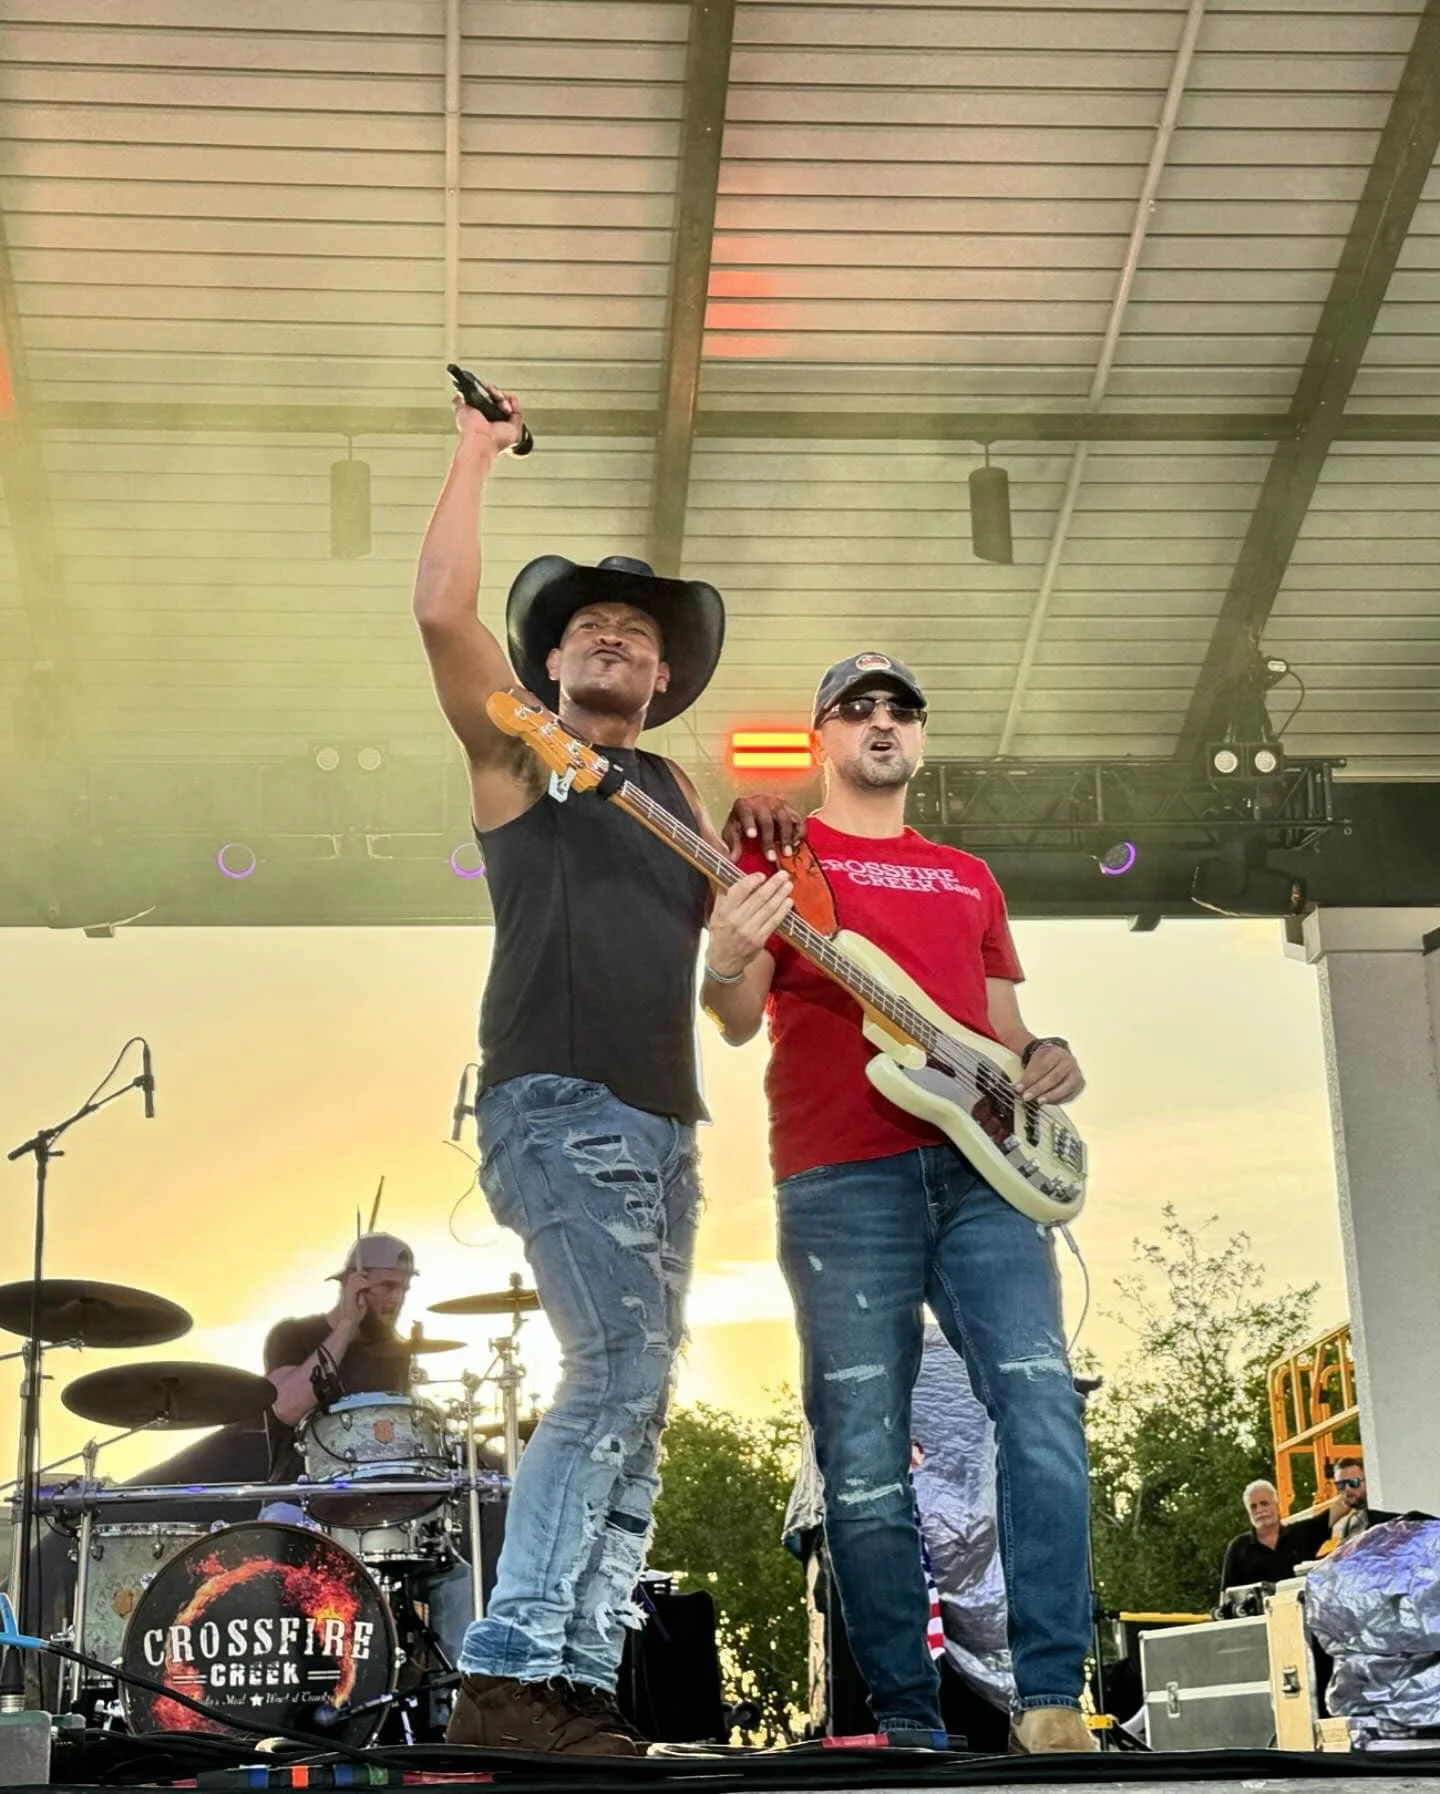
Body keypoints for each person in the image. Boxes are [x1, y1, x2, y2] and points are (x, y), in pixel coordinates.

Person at [412, 380, 796, 1754]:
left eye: (637, 630)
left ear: (663, 674)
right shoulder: (522, 755)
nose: (617, 636)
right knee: (616, 1359)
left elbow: (735, 1012)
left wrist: (744, 942)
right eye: (590, 624)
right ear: (557, 664)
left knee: (642, 1395)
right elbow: (443, 614)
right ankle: (506, 1674)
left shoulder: (682, 801)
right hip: (556, 1102)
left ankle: (577, 1683)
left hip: (666, 1127)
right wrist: (476, 449)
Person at [702, 651, 1095, 1755]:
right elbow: (734, 1014)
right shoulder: (779, 851)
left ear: (920, 740)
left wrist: (1047, 1054)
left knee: (1043, 1408)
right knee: (862, 1449)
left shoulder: (968, 874)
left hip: (985, 1172)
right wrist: (727, 954)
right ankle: (908, 1723)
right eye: (856, 709)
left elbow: (1004, 1028)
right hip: (839, 1176)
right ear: (823, 739)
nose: (882, 722)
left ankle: (1052, 1698)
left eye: (902, 710)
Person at [263, 1232, 418, 1480]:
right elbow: (287, 1408)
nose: (397, 1298)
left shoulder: (394, 1353)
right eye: (388, 1286)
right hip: (298, 1497)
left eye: (403, 1288)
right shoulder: (291, 1335)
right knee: (279, 1516)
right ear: (350, 1283)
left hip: (372, 1498)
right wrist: (347, 1325)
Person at [1218, 1479, 1331, 1594]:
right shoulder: (1238, 1548)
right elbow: (1227, 1595)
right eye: (1253, 1507)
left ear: (1276, 1505)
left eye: (1264, 1503)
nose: (1260, 1510)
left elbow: (1336, 1511)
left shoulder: (1301, 1534)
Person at [1327, 1457, 1397, 1543]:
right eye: (1340, 1485)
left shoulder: (1390, 1514)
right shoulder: (1349, 1523)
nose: (1347, 1489)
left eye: (1353, 1482)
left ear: (1368, 1481)